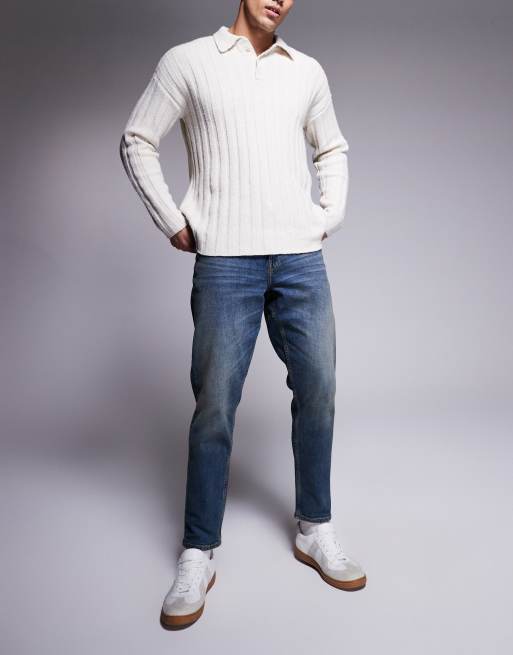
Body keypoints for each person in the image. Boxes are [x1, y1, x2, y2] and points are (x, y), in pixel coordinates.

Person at [120, 0, 366, 629]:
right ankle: (198, 550)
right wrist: (172, 219)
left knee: (319, 387)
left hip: (300, 259)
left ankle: (314, 527)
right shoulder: (188, 62)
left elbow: (332, 148)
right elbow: (138, 139)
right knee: (215, 403)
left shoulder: (305, 70)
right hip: (225, 260)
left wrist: (328, 215)